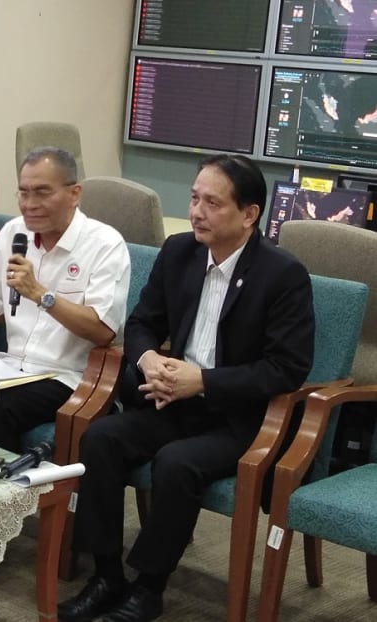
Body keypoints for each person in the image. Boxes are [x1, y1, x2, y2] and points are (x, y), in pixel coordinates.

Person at [58, 154, 315, 622]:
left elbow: (286, 369)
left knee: (176, 463)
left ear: (249, 214)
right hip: (169, 400)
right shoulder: (179, 252)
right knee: (100, 439)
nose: (197, 211)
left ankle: (149, 589)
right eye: (194, 198)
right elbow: (140, 322)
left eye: (212, 203)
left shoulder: (282, 275)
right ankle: (107, 576)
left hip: (238, 418)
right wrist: (148, 357)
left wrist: (204, 381)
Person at [0, 146, 131, 580]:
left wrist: (42, 294)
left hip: (69, 375)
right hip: (9, 365)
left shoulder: (104, 245)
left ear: (74, 193)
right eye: (23, 193)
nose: (30, 204)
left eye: (42, 193)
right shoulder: (14, 233)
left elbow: (102, 330)